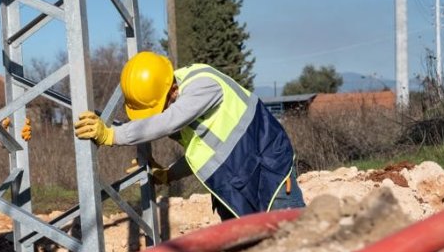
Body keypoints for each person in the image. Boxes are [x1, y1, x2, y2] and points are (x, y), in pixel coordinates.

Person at [74, 51, 305, 221]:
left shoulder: (203, 86)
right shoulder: (185, 104)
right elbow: (207, 153)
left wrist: (113, 135)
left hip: (270, 172)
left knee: (296, 242)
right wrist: (169, 174)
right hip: (238, 182)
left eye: (159, 108)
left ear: (172, 90)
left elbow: (169, 121)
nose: (159, 114)